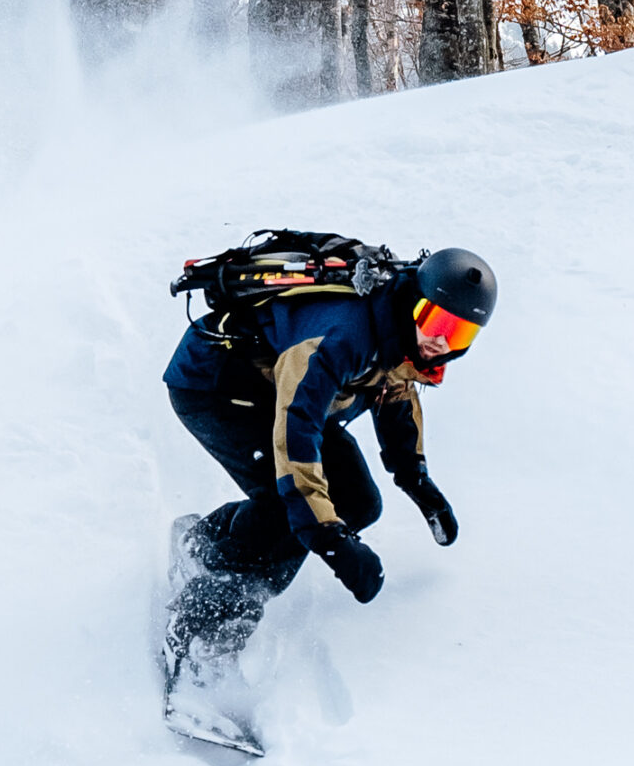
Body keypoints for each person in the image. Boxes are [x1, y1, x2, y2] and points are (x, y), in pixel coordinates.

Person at [160, 248, 497, 692]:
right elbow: (295, 439)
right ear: (413, 301)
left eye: (459, 332)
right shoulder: (342, 337)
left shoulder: (399, 329)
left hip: (277, 394)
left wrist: (416, 480)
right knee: (293, 505)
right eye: (435, 321)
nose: (441, 340)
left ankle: (207, 543)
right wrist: (331, 543)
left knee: (356, 502)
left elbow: (394, 389)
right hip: (219, 388)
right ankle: (200, 626)